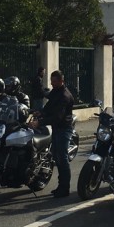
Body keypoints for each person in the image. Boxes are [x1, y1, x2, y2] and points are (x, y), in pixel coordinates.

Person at [30, 70, 74, 198]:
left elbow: (58, 117)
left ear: (61, 81)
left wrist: (40, 122)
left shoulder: (65, 96)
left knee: (62, 158)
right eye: (51, 81)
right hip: (56, 128)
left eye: (54, 81)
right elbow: (49, 106)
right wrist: (40, 113)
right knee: (56, 157)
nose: (52, 83)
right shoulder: (56, 91)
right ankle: (61, 186)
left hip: (63, 129)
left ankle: (65, 188)